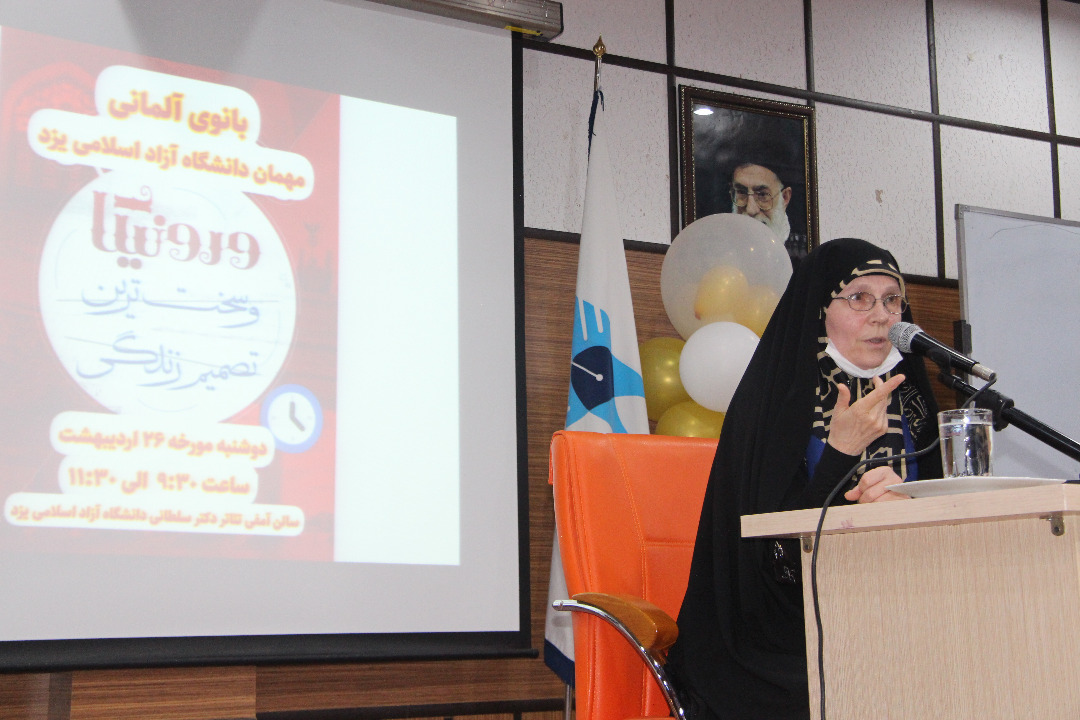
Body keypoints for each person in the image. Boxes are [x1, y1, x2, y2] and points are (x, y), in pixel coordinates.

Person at [664, 238, 942, 720]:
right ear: (820, 311)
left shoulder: (915, 404)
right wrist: (840, 453)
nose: (881, 316)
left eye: (892, 299)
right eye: (859, 298)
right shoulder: (776, 404)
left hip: (903, 608)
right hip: (782, 630)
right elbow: (774, 556)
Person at [730, 162, 807, 262]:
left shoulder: (803, 253)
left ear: (785, 197)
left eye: (762, 195)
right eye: (741, 192)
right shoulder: (720, 249)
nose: (750, 210)